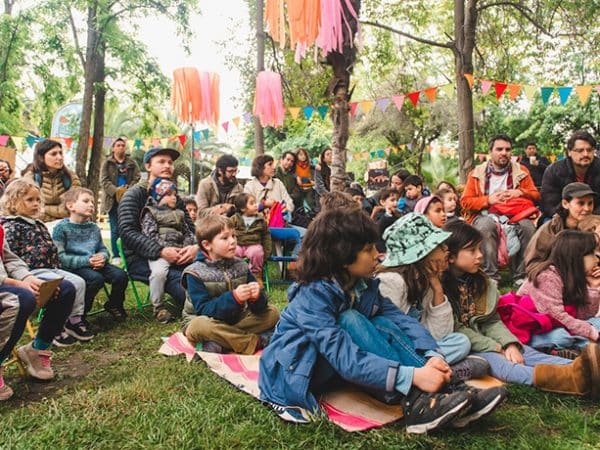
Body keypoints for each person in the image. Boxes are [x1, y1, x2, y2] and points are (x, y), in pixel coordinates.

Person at [258, 208, 506, 433]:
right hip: (297, 371)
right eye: (368, 249)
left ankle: (440, 394)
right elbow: (345, 356)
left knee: (383, 321)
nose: (377, 255)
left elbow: (401, 321)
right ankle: (418, 400)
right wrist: (411, 376)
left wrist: (432, 355)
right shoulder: (312, 295)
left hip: (332, 364)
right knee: (351, 318)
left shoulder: (363, 284)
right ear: (343, 257)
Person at [442, 220, 600, 398]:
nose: (480, 255)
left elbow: (491, 321)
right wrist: (496, 346)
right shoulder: (441, 288)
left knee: (526, 353)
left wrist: (509, 344)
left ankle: (585, 370)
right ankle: (572, 380)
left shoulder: (480, 282)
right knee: (506, 367)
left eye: (480, 249)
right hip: (465, 346)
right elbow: (457, 328)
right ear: (451, 256)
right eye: (472, 251)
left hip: (490, 339)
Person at [376, 214, 488, 381]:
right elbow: (388, 335)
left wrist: (437, 288)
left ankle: (439, 371)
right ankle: (443, 373)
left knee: (460, 342)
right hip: (394, 353)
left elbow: (439, 335)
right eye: (440, 246)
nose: (446, 250)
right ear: (424, 253)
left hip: (420, 348)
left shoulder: (424, 281)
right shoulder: (392, 282)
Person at [0, 180, 91, 347]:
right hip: (32, 269)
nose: (35, 204)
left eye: (37, 200)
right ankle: (56, 330)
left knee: (77, 282)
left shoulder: (39, 224)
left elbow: (9, 257)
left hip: (47, 268)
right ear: (12, 201)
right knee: (62, 286)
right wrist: (20, 278)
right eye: (29, 200)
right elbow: (9, 261)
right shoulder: (11, 226)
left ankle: (72, 321)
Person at [181, 215, 279, 354]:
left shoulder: (241, 265)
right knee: (200, 326)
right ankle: (256, 342)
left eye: (234, 236)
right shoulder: (194, 273)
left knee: (272, 312)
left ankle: (221, 343)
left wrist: (256, 298)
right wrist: (234, 298)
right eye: (225, 238)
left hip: (236, 319)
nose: (233, 241)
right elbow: (203, 310)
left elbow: (259, 308)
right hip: (205, 321)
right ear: (207, 245)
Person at [118, 147, 197, 312]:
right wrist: (161, 251)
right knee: (188, 289)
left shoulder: (175, 198)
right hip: (142, 258)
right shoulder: (133, 195)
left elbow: (191, 228)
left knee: (211, 275)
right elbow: (127, 232)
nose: (167, 165)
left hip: (179, 253)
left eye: (170, 162)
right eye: (161, 162)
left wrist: (195, 247)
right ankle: (160, 307)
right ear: (148, 167)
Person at [0, 228, 75, 399]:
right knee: (22, 299)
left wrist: (27, 278)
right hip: (4, 286)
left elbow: (9, 258)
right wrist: (15, 283)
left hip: (6, 285)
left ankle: (36, 350)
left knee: (63, 289)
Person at [461, 134, 540, 283]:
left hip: (515, 215)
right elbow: (465, 202)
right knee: (486, 226)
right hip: (485, 214)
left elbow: (536, 195)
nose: (504, 152)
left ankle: (521, 275)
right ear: (490, 152)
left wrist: (520, 192)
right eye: (499, 149)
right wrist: (488, 200)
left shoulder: (521, 171)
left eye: (507, 149)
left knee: (528, 227)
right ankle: (491, 277)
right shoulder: (476, 173)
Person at [517, 230, 600, 353]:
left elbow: (583, 316)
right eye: (592, 254)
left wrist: (593, 287)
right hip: (535, 328)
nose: (597, 259)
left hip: (564, 324)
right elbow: (555, 316)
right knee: (561, 337)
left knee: (595, 322)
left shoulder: (575, 274)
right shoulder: (547, 276)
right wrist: (590, 331)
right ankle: (586, 347)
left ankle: (581, 346)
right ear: (576, 256)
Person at [53, 187, 128, 322]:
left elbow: (103, 249)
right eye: (86, 201)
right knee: (95, 279)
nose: (91, 205)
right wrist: (88, 261)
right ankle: (79, 315)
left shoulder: (93, 227)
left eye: (93, 202)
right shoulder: (61, 228)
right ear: (71, 206)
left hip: (95, 263)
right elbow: (60, 257)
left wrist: (103, 257)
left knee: (120, 275)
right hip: (74, 267)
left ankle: (114, 305)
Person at [141, 179, 196, 323]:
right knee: (158, 273)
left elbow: (188, 233)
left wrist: (185, 247)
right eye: (170, 194)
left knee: (199, 267)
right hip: (161, 253)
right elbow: (150, 235)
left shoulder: (179, 213)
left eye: (175, 194)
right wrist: (165, 248)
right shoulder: (150, 213)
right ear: (159, 196)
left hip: (181, 251)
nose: (174, 197)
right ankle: (158, 307)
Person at [524, 182, 596, 276]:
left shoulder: (596, 226)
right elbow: (533, 264)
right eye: (580, 203)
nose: (587, 208)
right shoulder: (550, 229)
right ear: (565, 204)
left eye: (590, 203)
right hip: (556, 277)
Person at [244, 155, 304, 258]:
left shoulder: (278, 183)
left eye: (273, 164)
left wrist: (279, 208)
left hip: (281, 224)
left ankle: (292, 264)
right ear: (260, 167)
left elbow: (290, 204)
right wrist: (263, 205)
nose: (274, 167)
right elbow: (246, 210)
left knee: (307, 235)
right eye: (270, 164)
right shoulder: (250, 186)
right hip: (260, 227)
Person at [100, 137, 141, 264]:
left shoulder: (131, 162)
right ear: (113, 148)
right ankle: (116, 255)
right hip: (112, 201)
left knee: (129, 227)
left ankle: (129, 254)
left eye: (123, 145)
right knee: (115, 228)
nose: (121, 147)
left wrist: (128, 190)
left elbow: (137, 177)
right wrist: (116, 191)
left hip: (128, 199)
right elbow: (104, 181)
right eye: (118, 145)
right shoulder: (107, 163)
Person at [541, 130, 600, 219]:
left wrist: (591, 218)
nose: (585, 154)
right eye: (580, 150)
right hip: (563, 217)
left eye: (589, 150)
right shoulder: (553, 170)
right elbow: (549, 205)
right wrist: (572, 220)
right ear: (569, 152)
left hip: (594, 216)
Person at [23, 139, 81, 223]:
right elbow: (27, 208)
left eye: (60, 153)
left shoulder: (70, 177)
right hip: (38, 227)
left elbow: (74, 208)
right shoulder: (30, 178)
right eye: (54, 154)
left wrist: (44, 209)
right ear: (41, 157)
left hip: (66, 226)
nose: (60, 157)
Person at [230, 193, 272, 286]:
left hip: (254, 244)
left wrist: (267, 250)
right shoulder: (234, 219)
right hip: (238, 244)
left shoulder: (261, 220)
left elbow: (266, 235)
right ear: (243, 208)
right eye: (252, 203)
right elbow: (228, 232)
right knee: (234, 252)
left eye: (255, 202)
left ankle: (256, 275)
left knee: (257, 252)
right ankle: (235, 274)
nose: (256, 205)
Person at [370, 187, 401, 253]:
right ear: (383, 202)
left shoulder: (397, 214)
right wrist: (387, 214)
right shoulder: (380, 215)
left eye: (397, 200)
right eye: (392, 200)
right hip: (384, 249)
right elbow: (379, 229)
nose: (396, 203)